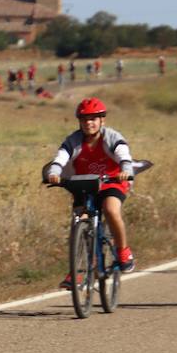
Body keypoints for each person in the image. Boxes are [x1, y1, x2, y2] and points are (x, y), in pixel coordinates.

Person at [44, 97, 137, 283]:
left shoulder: (112, 137)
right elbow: (61, 157)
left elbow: (124, 155)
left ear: (102, 120)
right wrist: (54, 172)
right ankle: (79, 268)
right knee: (79, 221)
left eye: (93, 118)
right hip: (84, 184)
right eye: (85, 119)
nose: (89, 123)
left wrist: (126, 170)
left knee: (110, 209)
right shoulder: (74, 140)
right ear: (79, 121)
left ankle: (123, 251)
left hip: (112, 181)